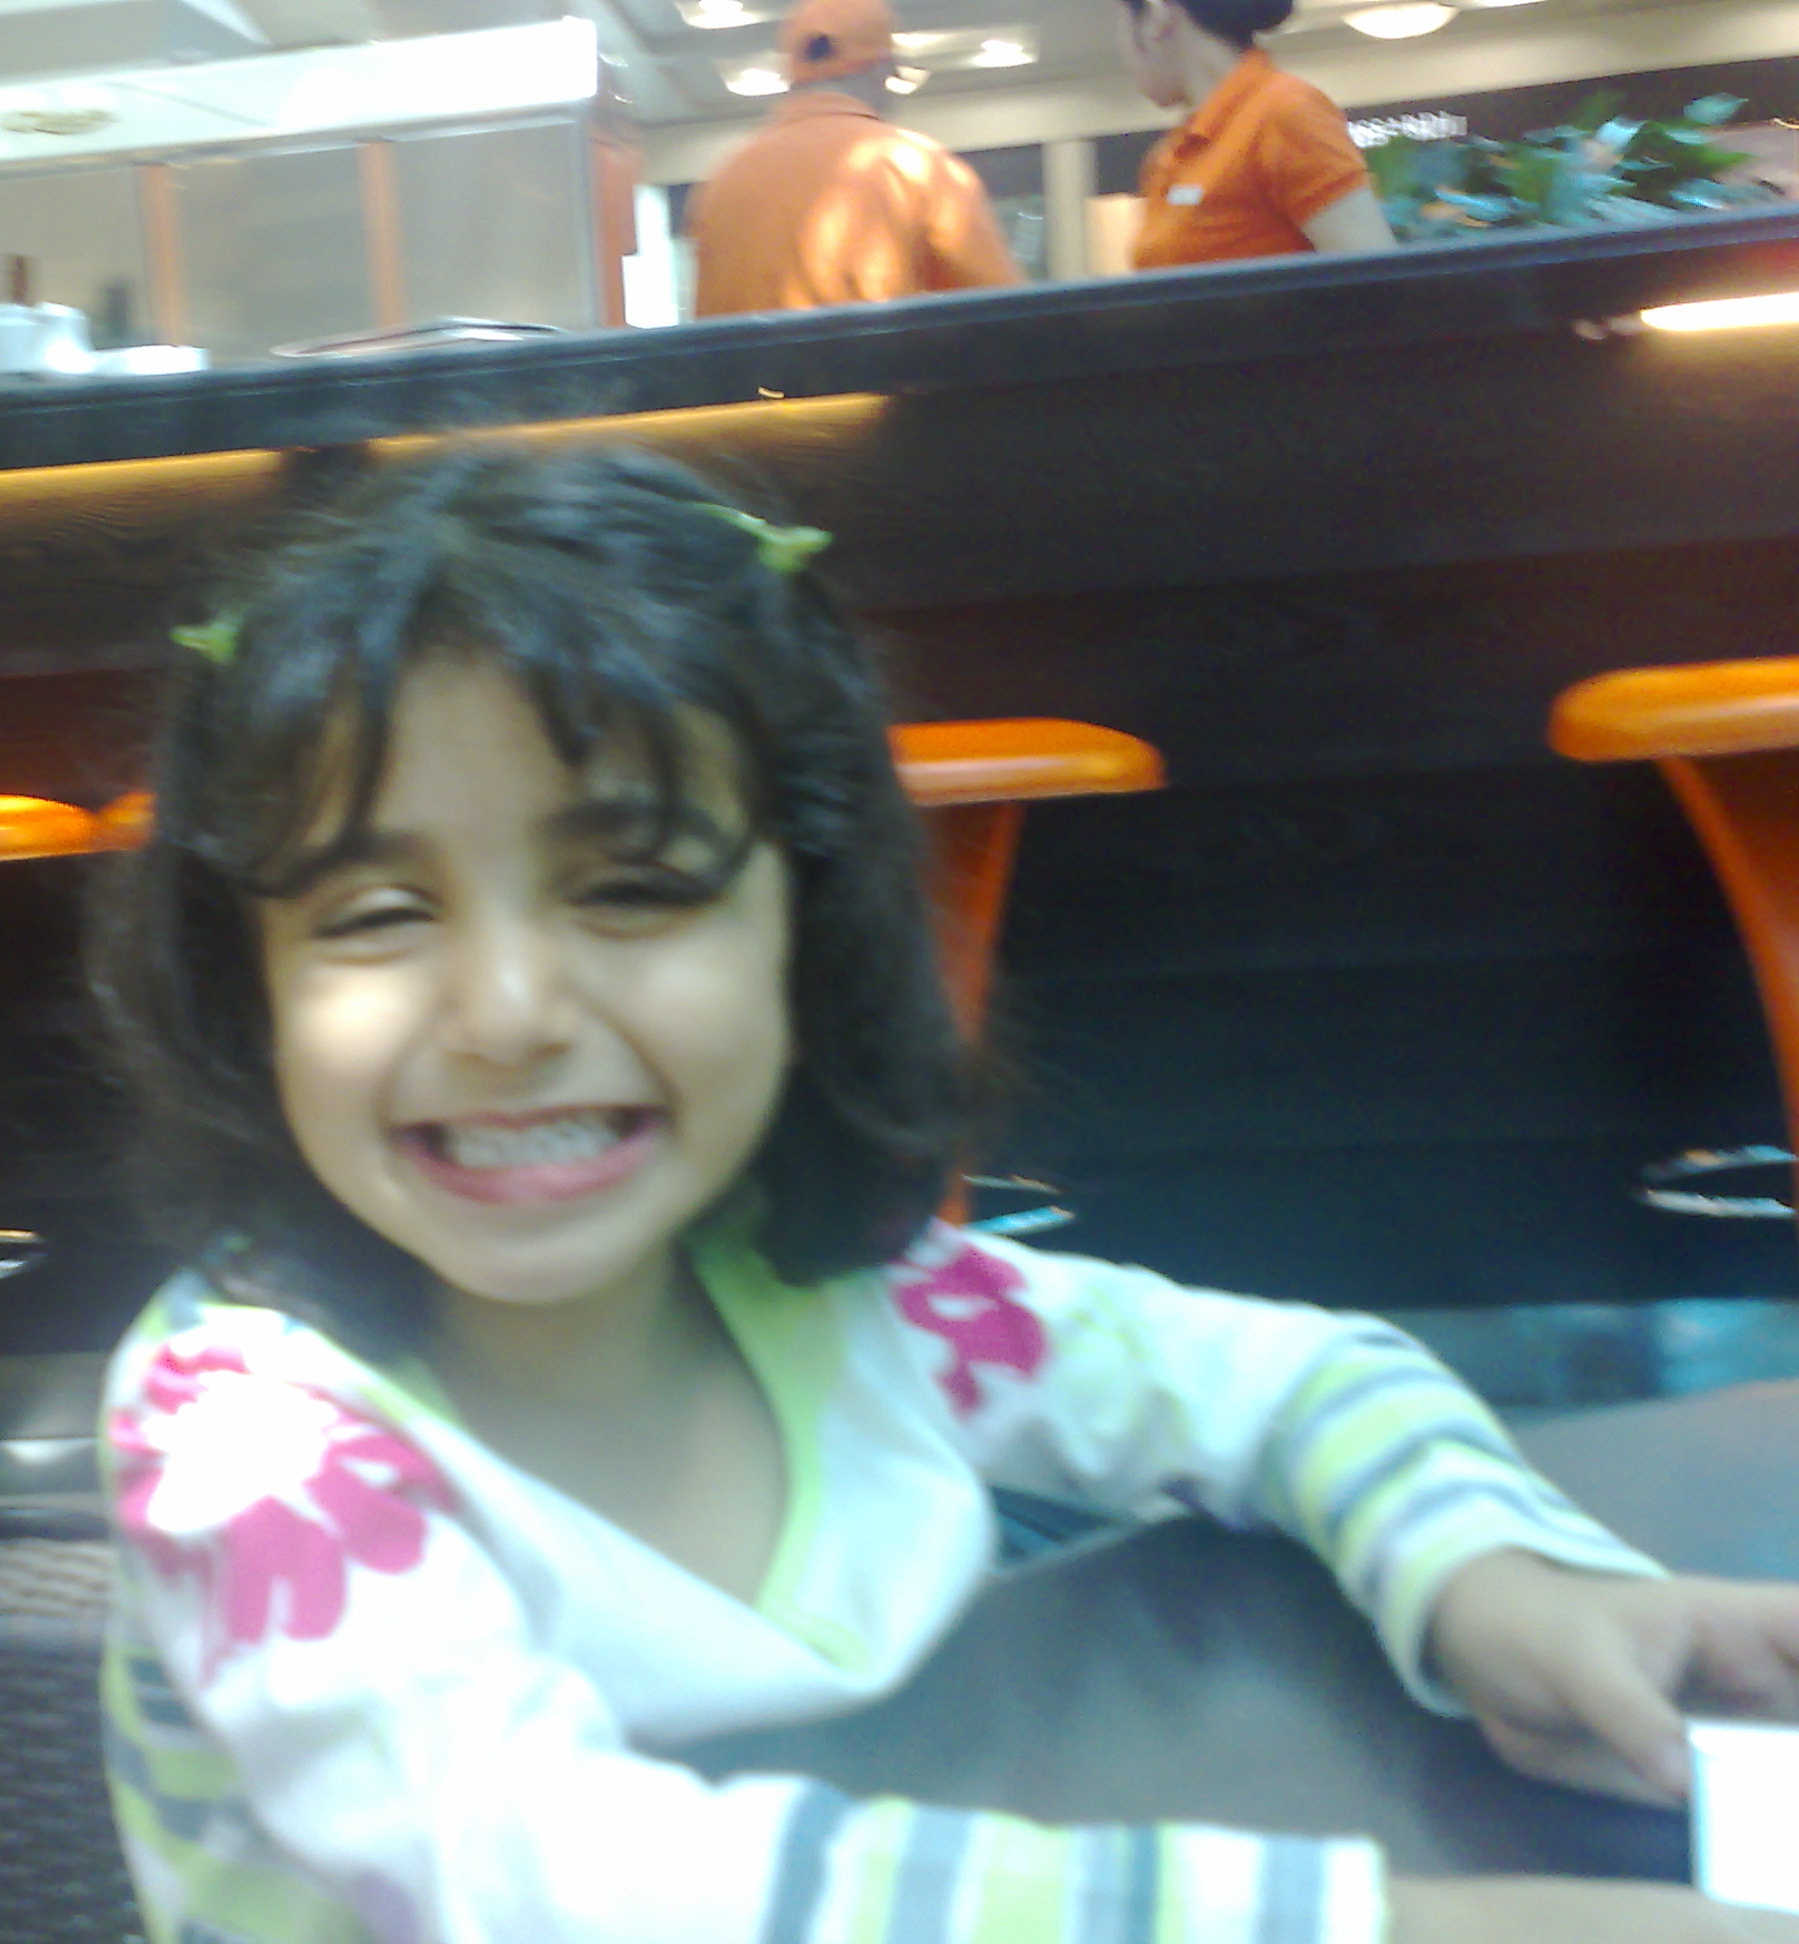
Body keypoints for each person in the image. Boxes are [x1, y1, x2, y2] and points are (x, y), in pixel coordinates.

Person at [91, 441, 1799, 1944]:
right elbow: (549, 1884)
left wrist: (1498, 1570)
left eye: (632, 883)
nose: (510, 1011)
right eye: (377, 914)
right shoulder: (244, 1428)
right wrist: (1388, 1923)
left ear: (806, 935)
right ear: (251, 995)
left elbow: (1285, 1375)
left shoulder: (838, 1296)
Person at [689, 0, 1021, 316]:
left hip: (761, 362)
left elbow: (708, 335)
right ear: (880, 68)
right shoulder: (920, 168)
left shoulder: (721, 185)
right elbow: (1005, 317)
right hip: (878, 361)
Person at [1118, 0, 1397, 270]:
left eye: (1120, 28)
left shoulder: (1285, 112)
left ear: (1157, 14)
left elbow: (1378, 282)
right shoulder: (1167, 157)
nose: (1124, 56)